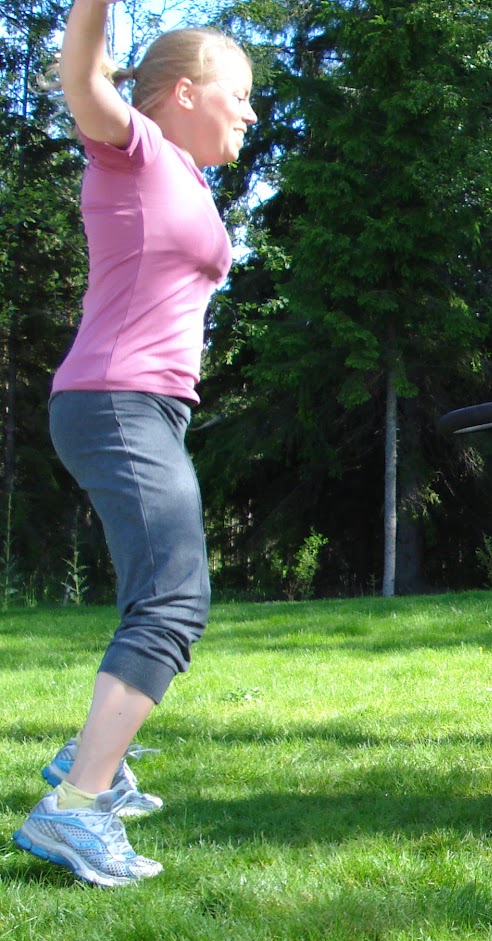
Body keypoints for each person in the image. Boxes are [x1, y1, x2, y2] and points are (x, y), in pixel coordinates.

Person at [11, 0, 256, 887]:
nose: (250, 113)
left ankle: (92, 764)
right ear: (184, 93)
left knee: (160, 596)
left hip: (144, 408)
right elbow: (82, 77)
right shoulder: (136, 147)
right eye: (239, 94)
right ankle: (75, 807)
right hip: (117, 400)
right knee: (172, 602)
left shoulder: (182, 174)